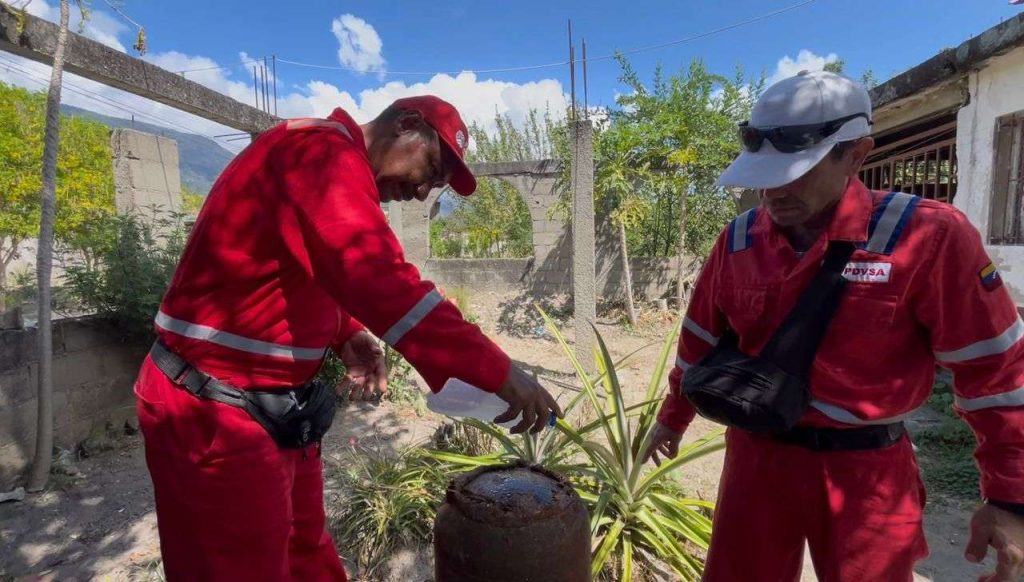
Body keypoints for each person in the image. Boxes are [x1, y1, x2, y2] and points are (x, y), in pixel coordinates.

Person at [133, 95, 563, 581]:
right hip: (214, 410)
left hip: (272, 408)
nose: (422, 191)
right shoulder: (320, 155)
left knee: (306, 555)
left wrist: (344, 331)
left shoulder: (332, 163)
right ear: (406, 124)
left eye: (437, 185)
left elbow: (299, 269)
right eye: (431, 168)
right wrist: (501, 373)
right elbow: (382, 281)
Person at [643, 71, 1024, 582]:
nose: (774, 190)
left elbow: (996, 372)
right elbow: (698, 344)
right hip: (755, 459)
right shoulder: (738, 241)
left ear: (857, 154)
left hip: (866, 472)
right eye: (765, 172)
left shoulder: (928, 238)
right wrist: (672, 418)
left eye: (797, 171)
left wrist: (1010, 497)